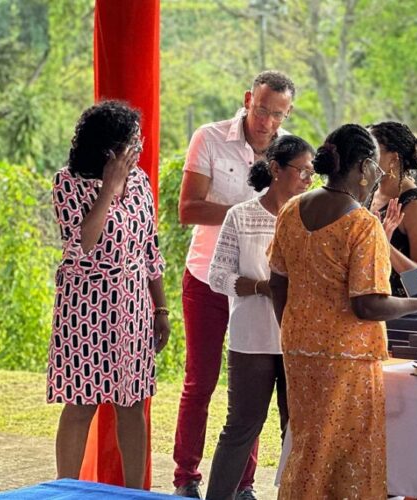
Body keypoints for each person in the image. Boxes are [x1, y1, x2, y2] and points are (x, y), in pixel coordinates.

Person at [267, 124, 417, 498]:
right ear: (363, 167)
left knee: (308, 446)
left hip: (299, 350)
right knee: (347, 457)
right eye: (375, 166)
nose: (378, 174)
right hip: (348, 358)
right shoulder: (362, 224)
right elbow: (368, 304)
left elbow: (277, 281)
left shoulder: (291, 210)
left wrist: (292, 329)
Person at [174, 70, 296, 499]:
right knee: (200, 382)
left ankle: (243, 484)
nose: (267, 121)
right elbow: (187, 209)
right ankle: (186, 478)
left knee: (253, 389)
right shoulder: (209, 137)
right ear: (248, 100)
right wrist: (247, 213)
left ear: (288, 114)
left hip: (261, 286)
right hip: (207, 277)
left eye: (277, 114)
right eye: (261, 109)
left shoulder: (289, 151)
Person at [48, 101, 169, 489]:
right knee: (81, 403)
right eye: (133, 142)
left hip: (132, 304)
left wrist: (161, 308)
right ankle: (65, 489)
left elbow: (150, 249)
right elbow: (81, 244)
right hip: (84, 306)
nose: (138, 149)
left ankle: (136, 493)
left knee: (131, 404)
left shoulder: (142, 183)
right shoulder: (68, 183)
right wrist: (110, 189)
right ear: (108, 148)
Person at [204, 136, 315, 500]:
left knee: (296, 429)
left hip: (298, 340)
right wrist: (261, 287)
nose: (308, 178)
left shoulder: (311, 218)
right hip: (251, 339)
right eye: (301, 170)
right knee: (242, 426)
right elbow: (217, 276)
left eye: (312, 172)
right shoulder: (241, 215)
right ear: (276, 169)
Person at [366, 121, 417, 296]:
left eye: (370, 151)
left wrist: (385, 245)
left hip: (398, 307)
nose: (362, 158)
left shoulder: (415, 207)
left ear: (393, 159)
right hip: (367, 301)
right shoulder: (370, 190)